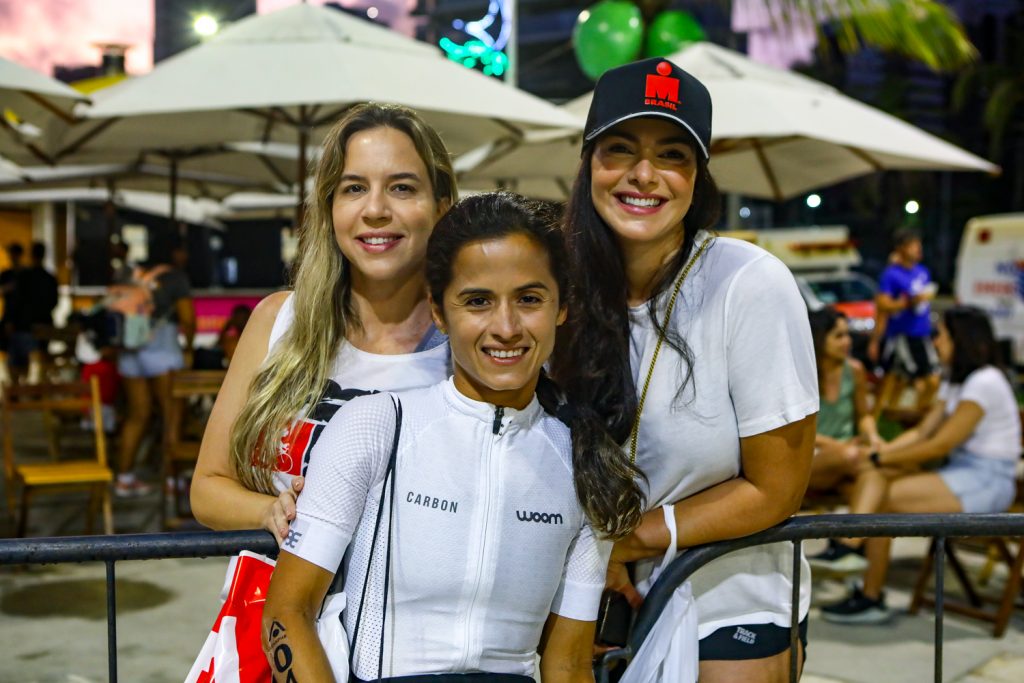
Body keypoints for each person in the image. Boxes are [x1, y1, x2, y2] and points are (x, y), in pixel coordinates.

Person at [263, 192, 645, 682]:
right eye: (478, 301)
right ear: (439, 312)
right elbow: (286, 615)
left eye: (529, 299)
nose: (505, 327)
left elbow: (569, 663)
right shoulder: (376, 426)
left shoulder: (584, 462)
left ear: (562, 307)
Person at [552, 58, 818, 682]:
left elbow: (776, 488)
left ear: (697, 176)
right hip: (578, 599)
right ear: (588, 161)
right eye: (620, 149)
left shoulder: (748, 283)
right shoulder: (555, 284)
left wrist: (628, 542)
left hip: (724, 594)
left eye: (672, 154)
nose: (643, 175)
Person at [190, 103, 458, 542]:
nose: (375, 209)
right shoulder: (278, 320)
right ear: (330, 208)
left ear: (441, 208)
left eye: (402, 188)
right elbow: (207, 489)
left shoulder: (468, 342)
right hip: (268, 601)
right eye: (353, 188)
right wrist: (268, 511)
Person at [822, 306, 1022, 624]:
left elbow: (941, 443)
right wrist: (883, 450)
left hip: (987, 480)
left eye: (940, 335)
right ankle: (852, 550)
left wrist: (880, 456)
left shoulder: (985, 381)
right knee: (876, 476)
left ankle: (860, 570)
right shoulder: (955, 379)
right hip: (960, 472)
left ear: (961, 339)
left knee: (882, 498)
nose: (935, 342)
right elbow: (922, 431)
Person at [804, 307, 881, 574]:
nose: (847, 341)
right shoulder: (804, 373)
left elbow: (864, 416)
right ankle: (845, 551)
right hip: (813, 458)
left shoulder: (855, 370)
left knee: (876, 488)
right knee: (866, 463)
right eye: (838, 336)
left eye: (847, 334)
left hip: (849, 459)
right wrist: (841, 447)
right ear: (819, 338)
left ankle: (848, 552)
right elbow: (802, 430)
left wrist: (872, 436)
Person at [113, 254, 195, 497]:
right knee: (172, 414)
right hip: (162, 348)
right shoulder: (175, 278)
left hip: (129, 350)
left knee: (137, 415)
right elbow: (188, 319)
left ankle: (124, 479)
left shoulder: (131, 274)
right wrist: (189, 349)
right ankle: (172, 481)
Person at [870, 229, 940, 419]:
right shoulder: (891, 274)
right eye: (913, 245)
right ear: (901, 248)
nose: (918, 249)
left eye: (919, 245)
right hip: (902, 334)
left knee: (899, 380)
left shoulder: (922, 272)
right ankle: (891, 416)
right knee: (897, 380)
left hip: (922, 332)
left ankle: (902, 415)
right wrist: (909, 302)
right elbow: (882, 304)